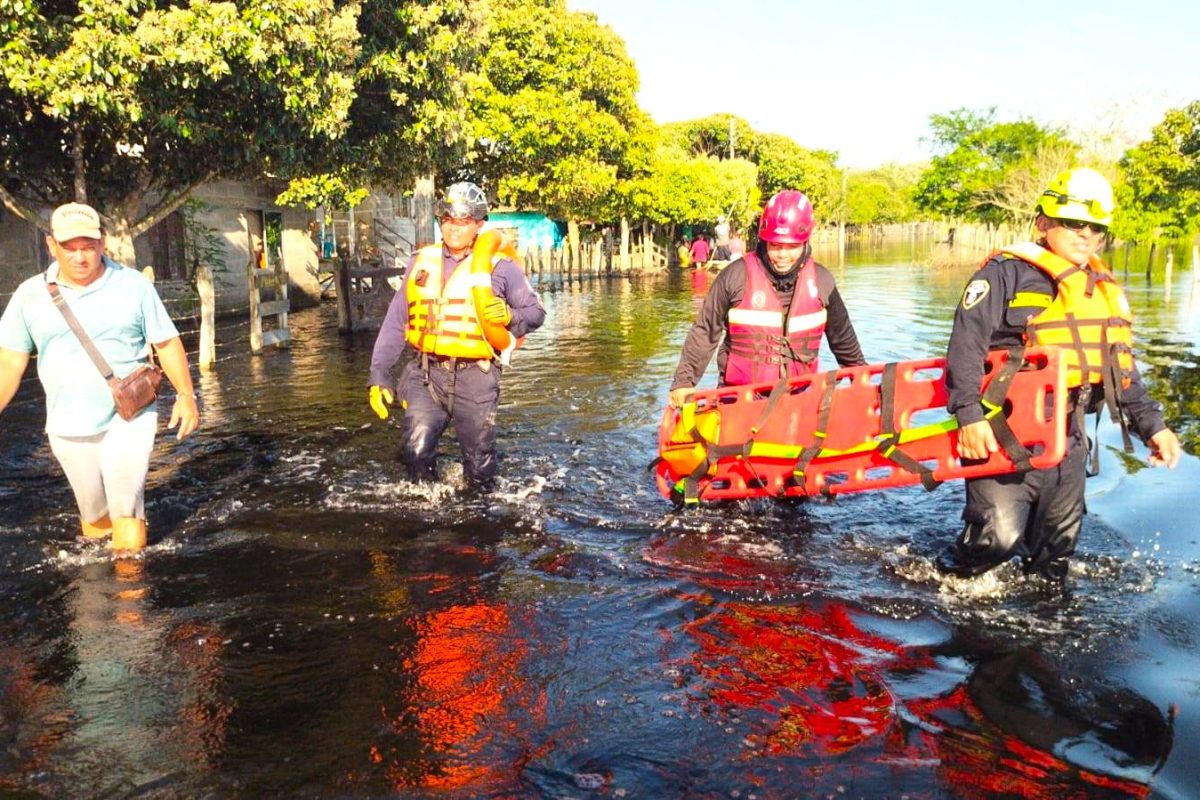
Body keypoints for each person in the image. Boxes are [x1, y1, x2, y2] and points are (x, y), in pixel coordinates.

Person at [936, 168, 1182, 583]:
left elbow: (1122, 369)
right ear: (1043, 223)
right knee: (996, 541)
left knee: (1054, 558)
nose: (1086, 234)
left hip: (1069, 438)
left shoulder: (1101, 289)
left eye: (1096, 228)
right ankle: (944, 579)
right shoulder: (1003, 274)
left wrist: (1153, 426)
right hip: (1004, 430)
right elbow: (965, 346)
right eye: (1073, 223)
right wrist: (968, 415)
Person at [0, 202, 199, 551]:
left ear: (102, 243)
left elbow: (166, 342)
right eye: (69, 247)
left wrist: (186, 395)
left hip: (130, 415)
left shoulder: (133, 285)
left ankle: (129, 586)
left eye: (88, 246)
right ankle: (101, 581)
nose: (80, 257)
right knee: (94, 517)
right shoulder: (29, 296)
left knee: (125, 510)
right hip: (67, 424)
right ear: (51, 245)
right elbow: (9, 363)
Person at [366, 182, 545, 490]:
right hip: (426, 373)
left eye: (463, 221)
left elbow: (536, 313)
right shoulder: (421, 260)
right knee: (415, 452)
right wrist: (379, 374)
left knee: (478, 467)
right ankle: (426, 512)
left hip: (475, 377)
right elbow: (397, 319)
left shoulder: (501, 268)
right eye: (448, 219)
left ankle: (477, 513)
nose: (454, 227)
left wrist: (510, 316)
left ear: (478, 224)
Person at [669, 190, 866, 408]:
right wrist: (684, 381)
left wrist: (861, 380)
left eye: (792, 246)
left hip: (799, 399)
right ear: (764, 240)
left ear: (805, 242)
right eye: (775, 245)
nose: (782, 255)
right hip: (740, 401)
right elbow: (705, 331)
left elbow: (843, 338)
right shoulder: (735, 276)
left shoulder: (822, 281)